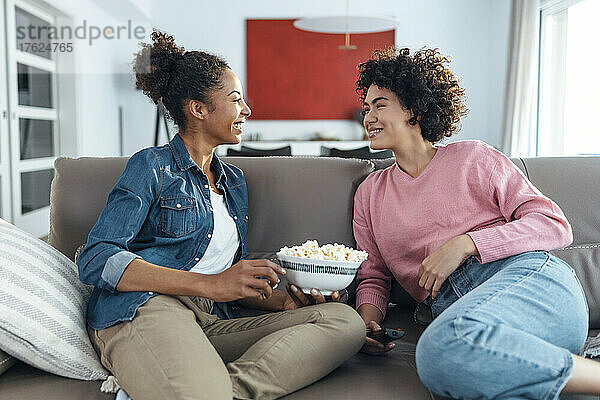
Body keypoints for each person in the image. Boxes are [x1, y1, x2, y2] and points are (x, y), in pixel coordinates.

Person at [77, 30, 365, 400]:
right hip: (147, 307)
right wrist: (211, 285)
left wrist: (283, 302)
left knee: (344, 322)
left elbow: (227, 282)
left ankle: (208, 388)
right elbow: (97, 259)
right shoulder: (152, 166)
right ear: (198, 109)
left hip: (211, 320)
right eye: (235, 99)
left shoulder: (233, 182)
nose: (246, 110)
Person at [352, 47, 600, 399]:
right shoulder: (370, 193)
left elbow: (553, 225)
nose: (368, 117)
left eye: (379, 105)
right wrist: (366, 323)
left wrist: (465, 244)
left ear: (414, 110)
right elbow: (373, 274)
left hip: (531, 283)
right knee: (456, 365)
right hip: (466, 318)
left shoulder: (474, 158)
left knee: (440, 348)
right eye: (366, 109)